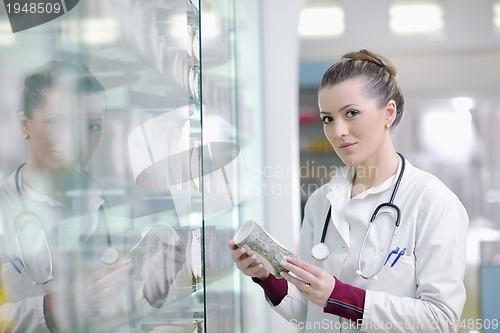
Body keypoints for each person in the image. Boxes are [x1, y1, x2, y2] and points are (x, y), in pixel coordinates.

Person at [229, 49, 469, 332]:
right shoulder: (321, 202)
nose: (338, 131)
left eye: (351, 113)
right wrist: (268, 279)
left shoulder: (432, 202)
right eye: (328, 119)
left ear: (388, 113)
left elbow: (441, 319)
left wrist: (340, 296)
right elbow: (308, 312)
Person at [0, 60, 184, 332]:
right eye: (57, 122)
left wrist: (152, 290)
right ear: (24, 124)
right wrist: (61, 306)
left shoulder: (113, 205)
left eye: (92, 126)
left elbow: (116, 304)